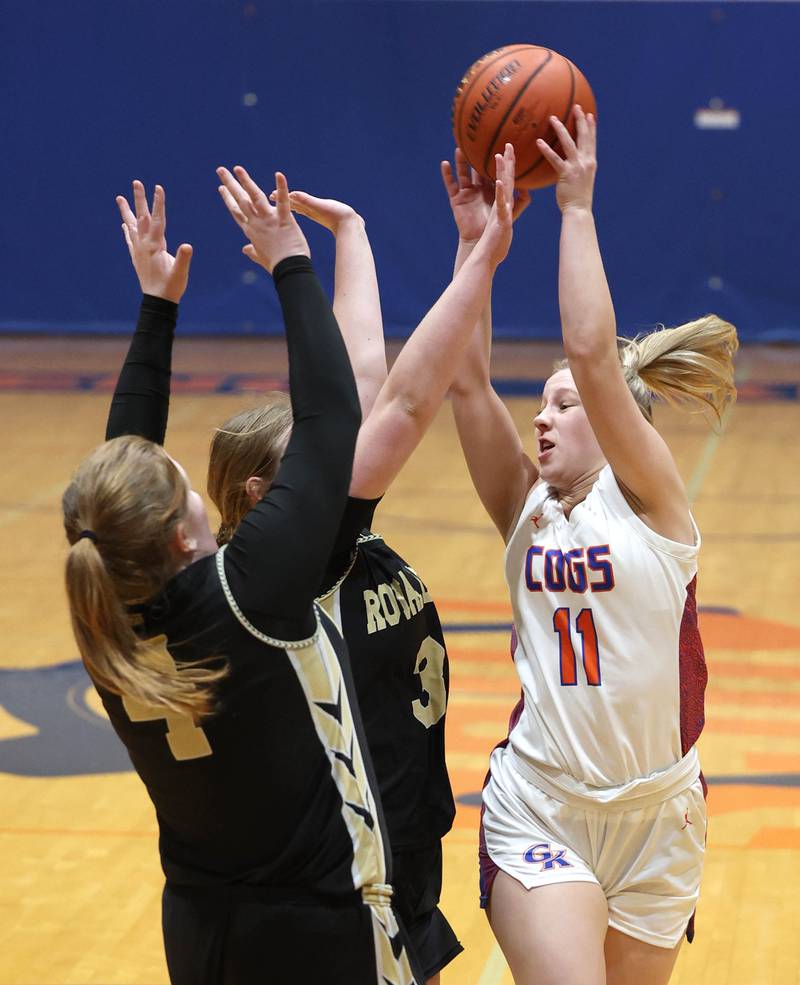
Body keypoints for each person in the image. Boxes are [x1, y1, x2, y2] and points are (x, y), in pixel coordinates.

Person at [112, 149, 524, 984]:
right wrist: (479, 263)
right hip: (347, 866)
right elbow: (398, 399)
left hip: (334, 860)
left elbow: (362, 386)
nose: (344, 452)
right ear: (268, 495)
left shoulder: (164, 586)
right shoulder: (291, 575)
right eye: (320, 457)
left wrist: (355, 240)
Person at [63, 168, 424, 985]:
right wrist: (293, 263)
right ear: (187, 536)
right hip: (318, 929)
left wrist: (158, 305)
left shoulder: (107, 616)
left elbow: (121, 468)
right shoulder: (247, 591)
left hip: (199, 929)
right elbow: (333, 417)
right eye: (190, 489)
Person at [448, 108, 738, 985]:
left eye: (565, 405)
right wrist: (477, 252)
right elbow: (463, 380)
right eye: (542, 402)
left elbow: (591, 351)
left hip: (660, 817)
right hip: (540, 804)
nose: (542, 415)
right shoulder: (523, 506)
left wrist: (579, 206)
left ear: (618, 427)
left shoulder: (651, 502)